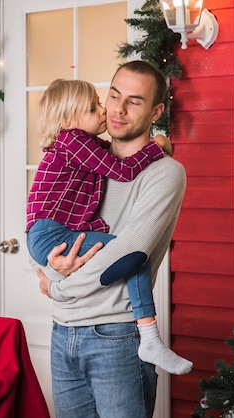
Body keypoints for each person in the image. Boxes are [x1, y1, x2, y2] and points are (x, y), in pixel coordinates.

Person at [37, 60, 192, 418]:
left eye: (134, 101)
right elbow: (43, 222)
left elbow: (128, 252)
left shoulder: (165, 173)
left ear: (156, 111)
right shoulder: (80, 156)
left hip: (116, 337)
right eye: (113, 95)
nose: (117, 109)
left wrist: (58, 285)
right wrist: (49, 264)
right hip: (63, 330)